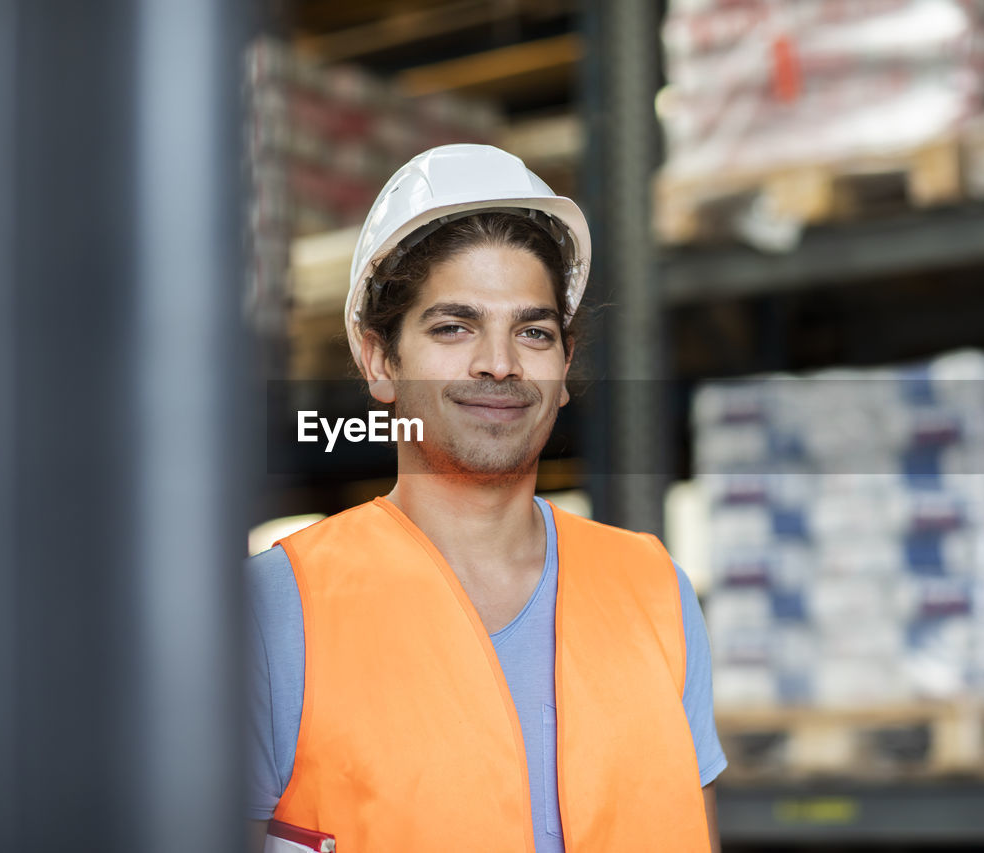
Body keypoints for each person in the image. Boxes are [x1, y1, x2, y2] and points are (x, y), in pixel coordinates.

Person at [246, 144, 726, 852]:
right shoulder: (277, 610)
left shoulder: (656, 592)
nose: (498, 363)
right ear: (381, 360)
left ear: (563, 370)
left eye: (533, 331)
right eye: (454, 326)